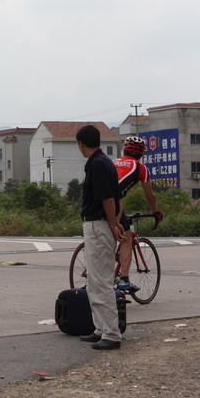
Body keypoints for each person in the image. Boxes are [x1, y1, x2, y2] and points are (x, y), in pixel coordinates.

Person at [75, 124, 123, 350]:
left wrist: (113, 225)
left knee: (101, 281)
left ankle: (112, 334)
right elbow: (117, 198)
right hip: (100, 225)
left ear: (81, 144)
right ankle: (100, 328)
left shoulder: (97, 165)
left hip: (98, 225)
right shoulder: (105, 163)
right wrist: (115, 222)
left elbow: (108, 200)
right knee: (94, 281)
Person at [112, 136, 163, 292]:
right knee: (126, 238)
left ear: (124, 149)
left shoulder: (112, 163)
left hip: (96, 201)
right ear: (142, 153)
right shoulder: (141, 168)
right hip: (113, 202)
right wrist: (155, 212)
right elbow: (150, 195)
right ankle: (124, 280)